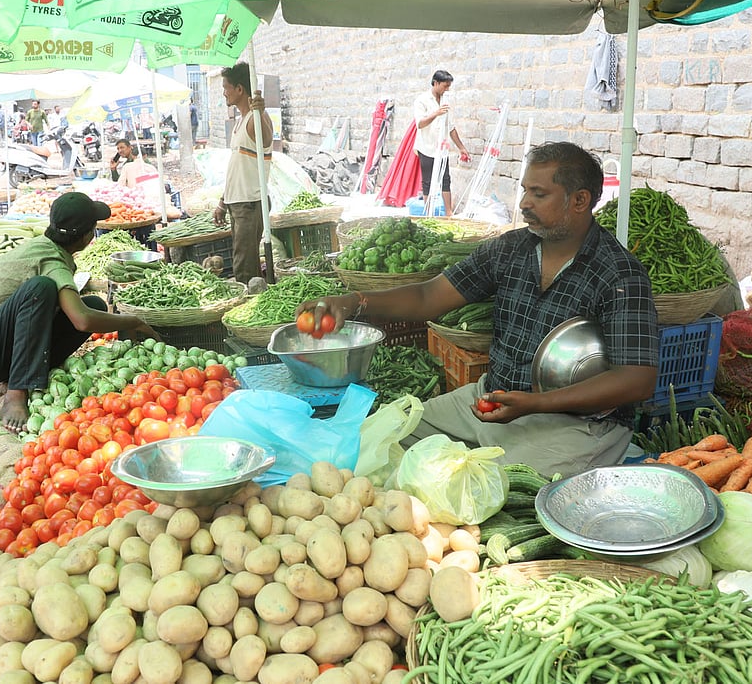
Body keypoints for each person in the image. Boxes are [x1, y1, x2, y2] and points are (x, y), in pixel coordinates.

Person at [298, 142, 659, 477]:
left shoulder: (619, 274)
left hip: (577, 425)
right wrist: (356, 302)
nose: (523, 203)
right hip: (491, 400)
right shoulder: (511, 249)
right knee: (385, 433)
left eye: (539, 193)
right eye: (524, 191)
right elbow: (429, 297)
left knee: (503, 487)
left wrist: (537, 403)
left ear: (579, 201)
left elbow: (636, 379)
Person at [0, 192, 159, 431]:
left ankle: (27, 375)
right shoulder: (52, 261)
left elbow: (84, 314)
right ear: (87, 237)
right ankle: (16, 393)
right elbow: (82, 321)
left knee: (95, 305)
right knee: (41, 289)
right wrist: (133, 322)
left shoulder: (45, 247)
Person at [213, 62, 273, 285]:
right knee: (245, 263)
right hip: (237, 202)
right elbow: (235, 167)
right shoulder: (240, 121)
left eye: (226, 86)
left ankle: (252, 313)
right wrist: (223, 201)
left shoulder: (256, 120)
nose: (224, 92)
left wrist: (261, 110)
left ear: (239, 89)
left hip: (250, 203)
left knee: (244, 267)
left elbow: (266, 140)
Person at [413, 70, 471, 217]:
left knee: (445, 180)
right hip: (426, 147)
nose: (447, 89)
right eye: (445, 86)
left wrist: (461, 148)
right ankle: (428, 213)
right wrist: (436, 113)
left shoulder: (445, 101)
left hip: (442, 148)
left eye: (449, 86)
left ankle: (448, 213)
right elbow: (420, 124)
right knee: (427, 182)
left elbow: (450, 127)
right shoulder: (422, 100)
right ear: (436, 83)